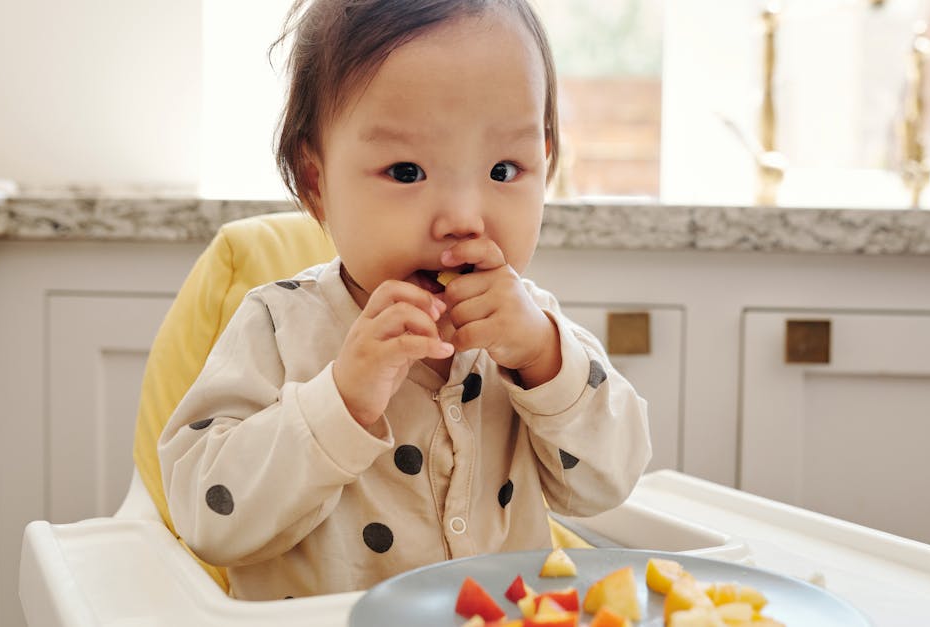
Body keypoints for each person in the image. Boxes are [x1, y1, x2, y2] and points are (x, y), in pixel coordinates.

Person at [159, 0, 651, 600]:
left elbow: (610, 482)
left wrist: (546, 361)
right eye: (406, 171)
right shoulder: (277, 327)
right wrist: (340, 401)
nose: (463, 219)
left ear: (544, 164)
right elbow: (208, 520)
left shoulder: (534, 332)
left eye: (503, 169)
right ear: (317, 181)